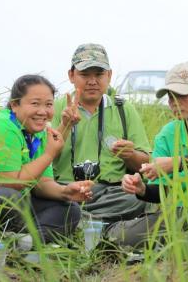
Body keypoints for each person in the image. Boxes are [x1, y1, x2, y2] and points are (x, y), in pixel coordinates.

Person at [105, 61, 188, 248]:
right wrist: (142, 189)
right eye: (171, 96)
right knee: (121, 237)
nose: (175, 102)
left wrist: (178, 163)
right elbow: (162, 191)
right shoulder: (167, 135)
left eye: (183, 95)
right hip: (183, 213)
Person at [0, 74, 93, 243]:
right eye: (35, 103)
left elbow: (42, 183)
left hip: (18, 203)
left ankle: (23, 242)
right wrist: (48, 154)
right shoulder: (2, 126)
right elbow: (11, 183)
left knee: (71, 210)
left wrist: (65, 191)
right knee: (8, 198)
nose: (42, 111)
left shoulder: (38, 132)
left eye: (49, 105)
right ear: (15, 105)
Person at [52, 43, 151, 223]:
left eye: (99, 74)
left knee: (135, 200)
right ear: (71, 75)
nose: (92, 81)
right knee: (45, 198)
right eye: (84, 75)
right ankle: (94, 223)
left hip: (111, 191)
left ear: (109, 75)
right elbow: (41, 158)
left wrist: (130, 155)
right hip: (67, 189)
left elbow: (146, 164)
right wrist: (64, 126)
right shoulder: (56, 107)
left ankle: (77, 222)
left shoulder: (123, 109)